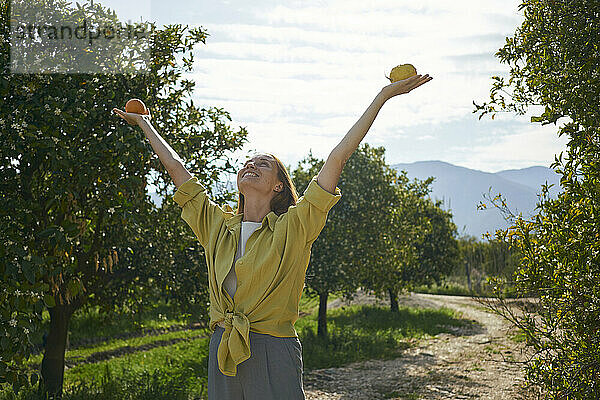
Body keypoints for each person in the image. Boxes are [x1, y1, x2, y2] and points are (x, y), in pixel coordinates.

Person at [112, 72, 432, 399]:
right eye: (248, 162)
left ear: (278, 185)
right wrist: (144, 125)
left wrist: (381, 96)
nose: (251, 165)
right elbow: (178, 171)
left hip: (273, 349)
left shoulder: (295, 226)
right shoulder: (217, 226)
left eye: (263, 164)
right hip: (222, 345)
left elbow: (338, 157)